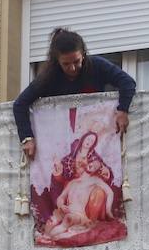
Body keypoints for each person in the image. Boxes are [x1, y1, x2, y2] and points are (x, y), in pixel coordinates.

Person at [13, 27, 136, 159]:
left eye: (77, 61)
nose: (72, 68)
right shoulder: (48, 77)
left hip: (97, 138)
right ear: (57, 61)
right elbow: (20, 104)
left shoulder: (97, 66)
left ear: (83, 54)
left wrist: (123, 110)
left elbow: (128, 83)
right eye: (66, 64)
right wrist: (27, 138)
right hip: (63, 143)